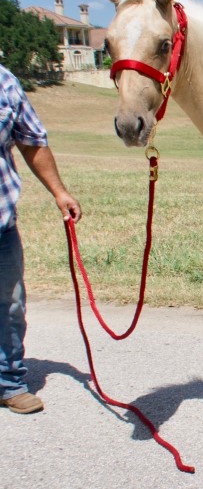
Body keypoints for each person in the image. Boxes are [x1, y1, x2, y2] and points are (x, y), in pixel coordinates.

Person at [1, 62, 81, 414]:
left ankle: (9, 381)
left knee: (10, 303)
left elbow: (31, 140)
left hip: (1, 221)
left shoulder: (3, 81)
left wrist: (59, 192)